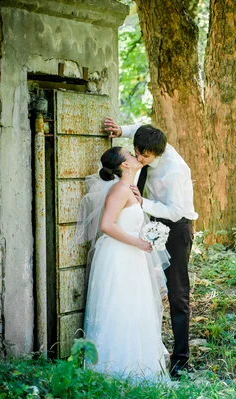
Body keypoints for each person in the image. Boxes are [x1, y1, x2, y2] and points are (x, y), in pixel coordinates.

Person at [105, 118, 197, 378]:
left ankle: (180, 360)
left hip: (176, 226)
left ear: (157, 153)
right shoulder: (148, 143)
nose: (138, 159)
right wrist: (122, 130)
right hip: (146, 217)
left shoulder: (175, 170)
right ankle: (141, 347)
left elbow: (176, 210)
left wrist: (142, 203)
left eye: (143, 157)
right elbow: (143, 129)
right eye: (136, 153)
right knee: (142, 284)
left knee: (177, 292)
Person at [76, 146, 169, 382]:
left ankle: (139, 365)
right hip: (119, 255)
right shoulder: (119, 190)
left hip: (132, 254)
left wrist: (147, 237)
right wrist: (138, 242)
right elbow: (106, 225)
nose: (135, 155)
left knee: (135, 306)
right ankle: (115, 367)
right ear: (124, 165)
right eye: (130, 153)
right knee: (121, 306)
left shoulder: (130, 188)